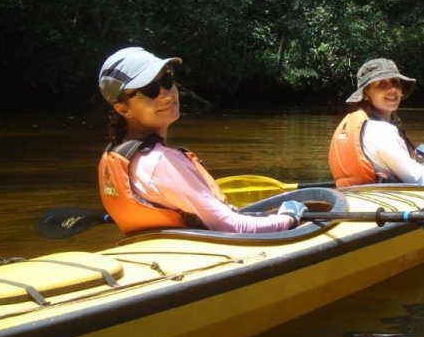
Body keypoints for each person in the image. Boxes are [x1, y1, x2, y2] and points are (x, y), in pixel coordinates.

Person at [97, 46, 305, 234]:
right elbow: (233, 227)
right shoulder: (160, 161)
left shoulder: (115, 153)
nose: (166, 94)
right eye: (150, 90)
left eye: (167, 81)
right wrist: (288, 218)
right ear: (122, 108)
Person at [328, 58, 424, 187]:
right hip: (381, 202)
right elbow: (421, 181)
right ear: (365, 93)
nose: (392, 89)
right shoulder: (381, 131)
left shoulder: (361, 125)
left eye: (395, 82)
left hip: (354, 196)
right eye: (382, 84)